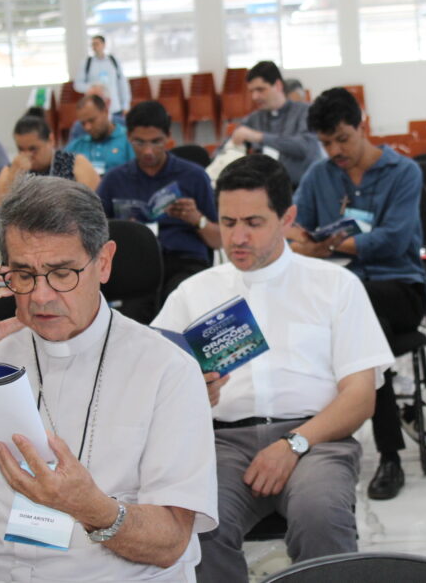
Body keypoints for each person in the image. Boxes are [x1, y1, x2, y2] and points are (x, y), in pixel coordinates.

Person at [0, 176, 218, 581]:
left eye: (62, 273)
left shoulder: (167, 371)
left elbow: (171, 542)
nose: (41, 296)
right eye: (24, 275)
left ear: (103, 262)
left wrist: (91, 508)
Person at [152, 155, 392, 582]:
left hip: (317, 438)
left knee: (321, 514)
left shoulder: (334, 285)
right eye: (227, 222)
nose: (237, 237)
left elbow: (360, 397)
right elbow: (151, 388)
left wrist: (294, 444)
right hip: (221, 443)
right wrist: (191, 393)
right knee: (199, 527)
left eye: (253, 222)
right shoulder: (193, 293)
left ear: (288, 218)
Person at [288, 87, 426, 501]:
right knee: (365, 327)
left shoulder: (403, 173)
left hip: (400, 287)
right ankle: (372, 452)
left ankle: (388, 455)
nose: (335, 151)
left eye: (342, 139)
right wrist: (308, 245)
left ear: (361, 126)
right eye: (326, 143)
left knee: (367, 325)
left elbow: (393, 240)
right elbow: (294, 232)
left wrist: (326, 245)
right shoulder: (319, 176)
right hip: (342, 293)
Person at [97, 100, 221, 318]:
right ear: (128, 137)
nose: (148, 151)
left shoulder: (193, 176)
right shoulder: (114, 180)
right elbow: (93, 234)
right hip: (135, 263)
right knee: (129, 320)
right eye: (139, 142)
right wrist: (124, 232)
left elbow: (218, 240)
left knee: (179, 309)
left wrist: (197, 219)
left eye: (156, 142)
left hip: (184, 260)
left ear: (168, 138)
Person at [230, 61, 322, 187]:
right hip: (266, 192)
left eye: (260, 89)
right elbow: (227, 147)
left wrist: (260, 137)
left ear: (278, 85)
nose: (255, 96)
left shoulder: (304, 112)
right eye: (251, 91)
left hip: (302, 189)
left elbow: (305, 147)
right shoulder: (254, 119)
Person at [0, 112, 99, 205]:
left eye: (33, 149)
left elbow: (93, 205)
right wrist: (12, 178)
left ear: (51, 140)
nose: (27, 155)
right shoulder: (10, 170)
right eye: (21, 149)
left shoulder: (75, 163)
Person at [66, 94, 135, 177]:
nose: (87, 127)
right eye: (83, 123)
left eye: (92, 120)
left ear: (105, 111)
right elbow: (58, 178)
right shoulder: (76, 145)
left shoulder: (129, 139)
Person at [74, 35, 130, 120]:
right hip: (96, 109)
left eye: (96, 44)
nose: (94, 47)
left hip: (114, 107)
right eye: (92, 44)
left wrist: (125, 105)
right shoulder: (86, 63)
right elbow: (77, 85)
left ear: (104, 45)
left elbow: (122, 84)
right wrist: (92, 87)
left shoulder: (113, 61)